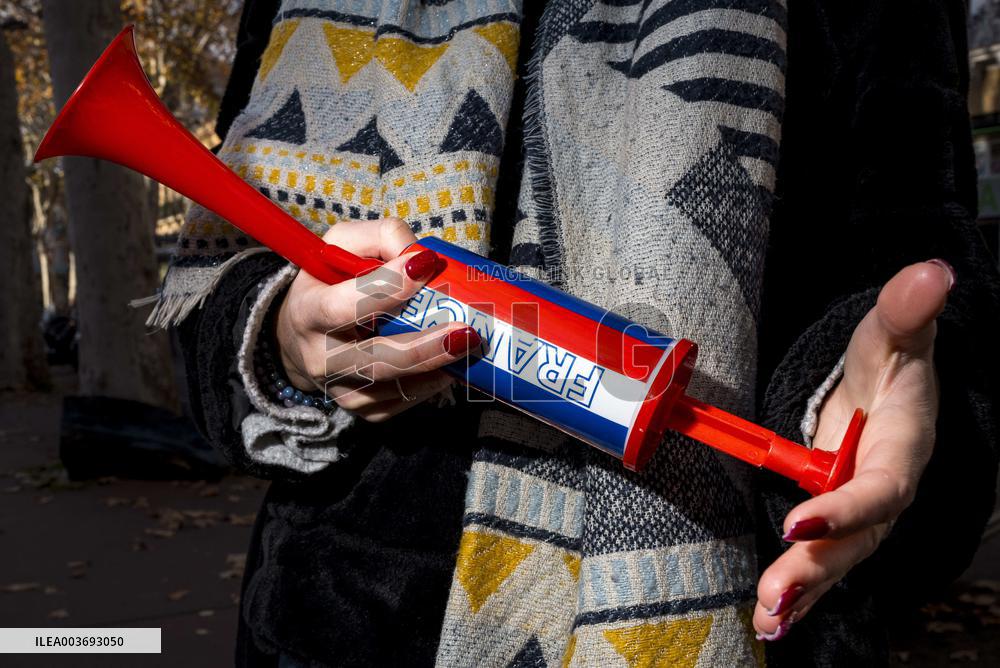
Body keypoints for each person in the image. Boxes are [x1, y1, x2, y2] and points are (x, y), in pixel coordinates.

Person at [153, 1, 1000, 665]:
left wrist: (885, 404)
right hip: (338, 626)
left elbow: (918, 271)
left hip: (740, 623)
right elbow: (209, 299)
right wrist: (285, 336)